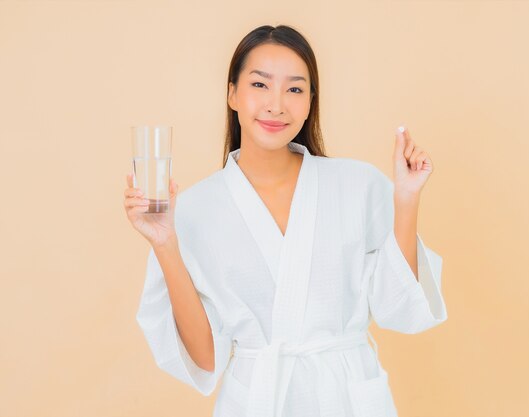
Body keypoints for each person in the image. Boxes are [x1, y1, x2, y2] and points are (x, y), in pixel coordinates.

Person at [123, 24, 447, 417]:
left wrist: (407, 199)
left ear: (312, 100)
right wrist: (164, 242)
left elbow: (399, 307)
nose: (276, 105)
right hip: (256, 401)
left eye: (294, 89)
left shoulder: (357, 184)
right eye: (260, 85)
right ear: (232, 94)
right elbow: (206, 359)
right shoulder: (193, 209)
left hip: (346, 397)